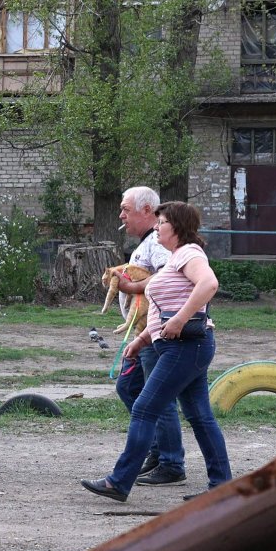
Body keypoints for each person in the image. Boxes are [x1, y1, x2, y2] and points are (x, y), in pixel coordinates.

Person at [82, 201, 233, 502]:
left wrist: (179, 319)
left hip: (185, 346)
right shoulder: (177, 258)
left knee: (145, 408)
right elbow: (164, 309)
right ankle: (222, 488)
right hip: (182, 346)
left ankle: (119, 482)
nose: (156, 227)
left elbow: (209, 284)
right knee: (199, 415)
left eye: (161, 222)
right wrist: (142, 340)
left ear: (176, 227)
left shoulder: (189, 253)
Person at [112, 186, 186, 486]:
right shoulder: (148, 241)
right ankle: (157, 451)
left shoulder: (156, 241)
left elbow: (169, 276)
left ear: (147, 211)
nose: (121, 215)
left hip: (155, 333)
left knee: (157, 397)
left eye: (125, 209)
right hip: (143, 335)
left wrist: (130, 288)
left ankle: (171, 462)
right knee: (129, 387)